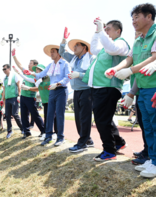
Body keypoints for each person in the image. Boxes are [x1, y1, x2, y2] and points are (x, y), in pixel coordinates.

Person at [108, 3, 156, 177]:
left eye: (137, 17)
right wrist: (116, 69)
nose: (133, 21)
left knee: (155, 126)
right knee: (148, 127)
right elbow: (129, 60)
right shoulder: (138, 39)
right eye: (132, 18)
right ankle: (152, 159)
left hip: (153, 87)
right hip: (143, 89)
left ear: (149, 17)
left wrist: (131, 70)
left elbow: (154, 58)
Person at [82, 18, 129, 161]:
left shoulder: (120, 43)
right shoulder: (105, 48)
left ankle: (109, 151)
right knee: (105, 119)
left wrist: (101, 31)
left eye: (108, 29)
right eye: (105, 28)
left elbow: (112, 48)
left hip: (108, 87)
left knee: (102, 120)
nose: (106, 31)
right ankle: (118, 143)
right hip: (99, 88)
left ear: (118, 31)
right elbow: (93, 48)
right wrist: (97, 32)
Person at [59, 27, 95, 153]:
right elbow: (62, 52)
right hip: (76, 90)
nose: (74, 48)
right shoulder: (74, 58)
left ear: (84, 47)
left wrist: (78, 75)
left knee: (84, 117)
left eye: (77, 45)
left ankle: (82, 143)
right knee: (78, 117)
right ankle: (87, 140)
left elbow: (91, 74)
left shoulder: (90, 58)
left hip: (87, 90)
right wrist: (64, 39)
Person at [25, 44, 70, 146]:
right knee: (49, 114)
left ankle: (60, 137)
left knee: (59, 114)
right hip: (52, 91)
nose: (51, 53)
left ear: (59, 53)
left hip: (61, 90)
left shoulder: (65, 64)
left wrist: (58, 83)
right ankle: (48, 136)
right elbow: (41, 74)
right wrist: (31, 73)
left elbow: (68, 77)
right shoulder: (50, 65)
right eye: (51, 52)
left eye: (53, 51)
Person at [12, 65, 58, 140]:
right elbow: (27, 78)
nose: (36, 72)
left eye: (38, 70)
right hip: (45, 101)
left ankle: (56, 133)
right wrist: (18, 72)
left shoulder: (49, 78)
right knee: (47, 117)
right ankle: (47, 133)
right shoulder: (39, 80)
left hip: (52, 99)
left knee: (54, 117)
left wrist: (29, 88)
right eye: (36, 70)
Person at [12, 49, 45, 139]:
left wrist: (28, 88)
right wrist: (14, 56)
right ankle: (26, 132)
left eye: (30, 63)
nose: (28, 64)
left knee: (34, 115)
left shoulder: (37, 75)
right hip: (23, 97)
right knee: (23, 115)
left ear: (35, 65)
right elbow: (20, 65)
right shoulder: (27, 72)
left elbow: (38, 88)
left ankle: (43, 131)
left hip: (31, 98)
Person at [2, 64, 23, 139]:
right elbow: (4, 89)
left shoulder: (15, 75)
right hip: (7, 99)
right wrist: (2, 99)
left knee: (15, 114)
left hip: (14, 97)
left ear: (9, 69)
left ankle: (22, 128)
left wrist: (19, 95)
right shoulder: (4, 78)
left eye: (5, 69)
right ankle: (9, 131)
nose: (4, 71)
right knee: (7, 115)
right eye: (3, 69)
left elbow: (18, 85)